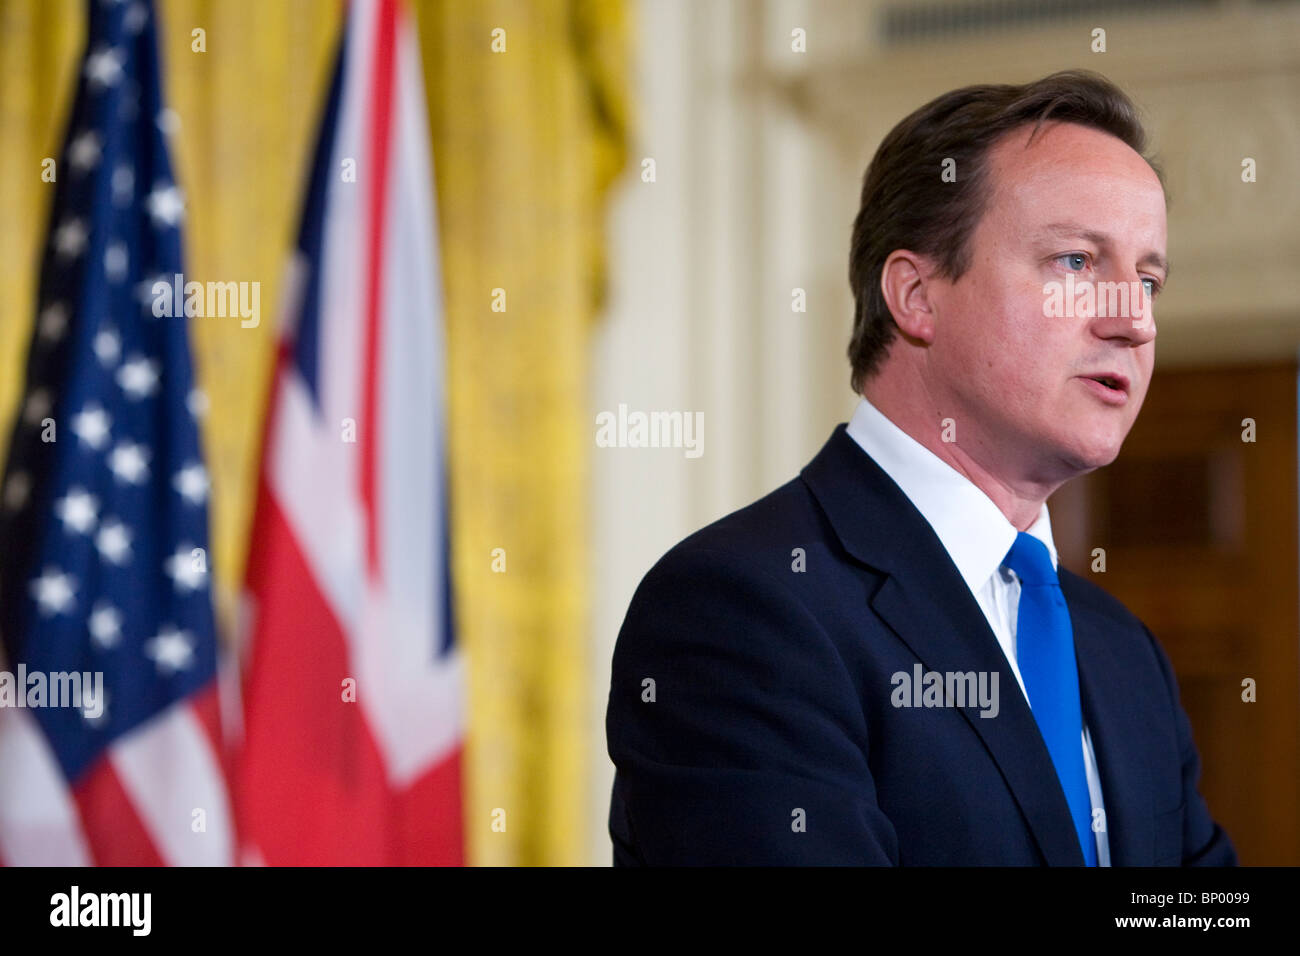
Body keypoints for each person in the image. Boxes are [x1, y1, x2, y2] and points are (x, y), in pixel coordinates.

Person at [605, 70, 1238, 866]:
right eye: (1077, 263)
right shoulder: (743, 608)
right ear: (915, 295)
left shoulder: (1122, 652)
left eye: (1147, 280)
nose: (1133, 321)